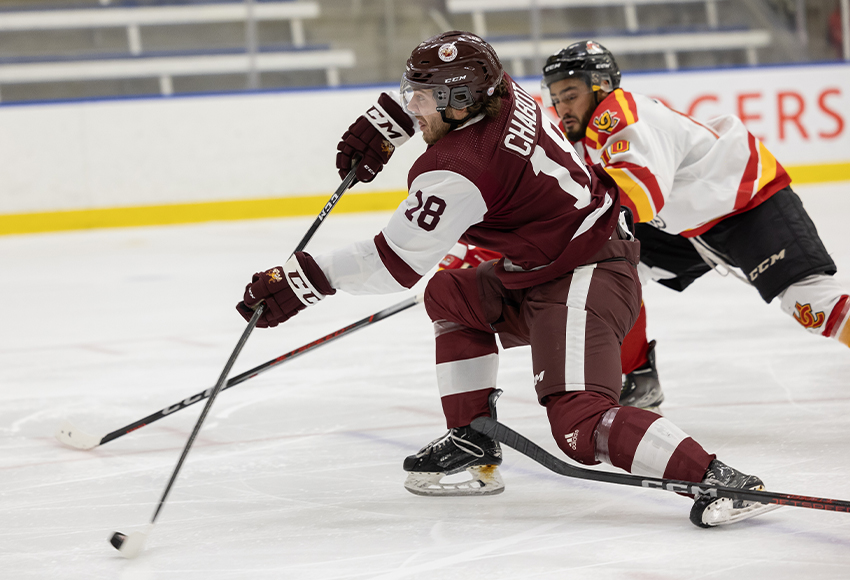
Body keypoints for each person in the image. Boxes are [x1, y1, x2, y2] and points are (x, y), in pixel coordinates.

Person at [236, 31, 777, 528]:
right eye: (411, 95)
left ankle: (718, 478)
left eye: (422, 99)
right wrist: (387, 123)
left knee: (578, 422)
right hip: (548, 264)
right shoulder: (501, 90)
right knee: (451, 294)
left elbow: (391, 263)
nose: (414, 105)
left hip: (587, 272)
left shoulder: (461, 168)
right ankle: (471, 439)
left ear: (459, 103)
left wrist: (301, 282)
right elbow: (453, 83)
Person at [539, 40, 850, 413]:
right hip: (689, 224)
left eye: (570, 95)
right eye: (556, 98)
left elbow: (640, 195)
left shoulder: (618, 115)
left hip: (748, 205)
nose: (562, 107)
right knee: (611, 271)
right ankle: (640, 376)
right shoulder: (584, 135)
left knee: (812, 304)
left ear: (602, 85)